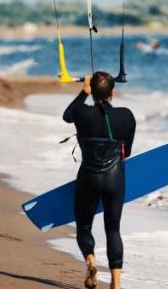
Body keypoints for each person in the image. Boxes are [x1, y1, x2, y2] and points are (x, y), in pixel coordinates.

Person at [63, 71, 136, 289]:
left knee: (84, 226)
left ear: (92, 92)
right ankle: (116, 284)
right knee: (113, 229)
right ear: (112, 93)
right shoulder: (126, 115)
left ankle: (91, 262)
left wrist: (83, 91)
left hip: (88, 178)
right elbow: (128, 152)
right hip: (115, 178)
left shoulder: (82, 113)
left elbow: (68, 115)